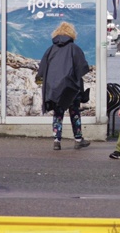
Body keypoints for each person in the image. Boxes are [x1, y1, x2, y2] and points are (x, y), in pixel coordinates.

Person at [37, 22, 91, 151]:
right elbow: (82, 68)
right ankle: (78, 140)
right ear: (71, 33)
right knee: (74, 113)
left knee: (58, 113)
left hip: (55, 88)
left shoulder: (50, 49)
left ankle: (57, 141)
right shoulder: (74, 48)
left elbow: (42, 70)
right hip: (71, 88)